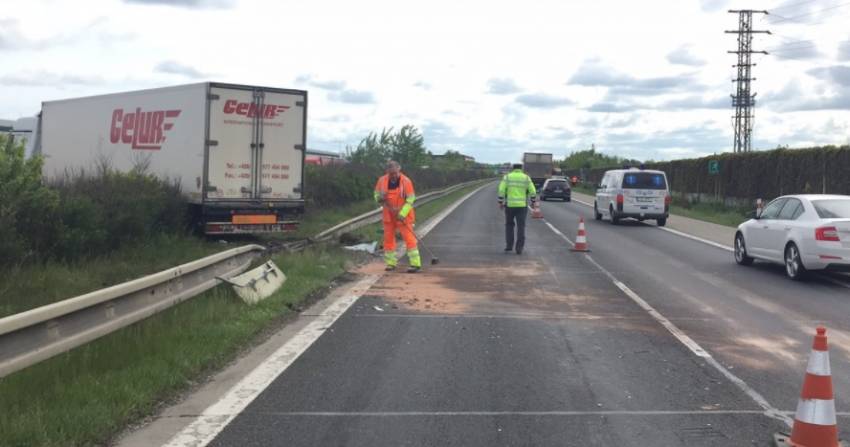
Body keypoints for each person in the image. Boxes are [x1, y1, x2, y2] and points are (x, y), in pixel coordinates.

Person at [374, 160, 421, 273]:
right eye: (391, 173)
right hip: (388, 215)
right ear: (387, 172)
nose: (393, 175)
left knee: (409, 239)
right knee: (388, 240)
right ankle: (391, 263)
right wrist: (379, 198)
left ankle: (415, 264)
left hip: (403, 215)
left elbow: (410, 199)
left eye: (395, 173)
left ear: (399, 169)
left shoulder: (406, 181)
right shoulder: (382, 180)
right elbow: (376, 194)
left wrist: (402, 213)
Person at [498, 163, 537, 254]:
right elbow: (533, 191)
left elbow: (501, 190)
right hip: (522, 207)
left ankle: (509, 246)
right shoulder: (526, 178)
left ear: (513, 169)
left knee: (509, 225)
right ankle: (519, 248)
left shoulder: (507, 177)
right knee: (521, 227)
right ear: (521, 169)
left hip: (510, 206)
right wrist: (533, 202)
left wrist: (500, 202)